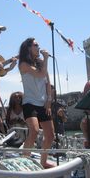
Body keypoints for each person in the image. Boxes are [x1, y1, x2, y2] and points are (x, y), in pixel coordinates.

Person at [18, 37, 55, 169]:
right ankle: (24, 161)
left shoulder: (41, 63)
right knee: (34, 130)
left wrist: (49, 100)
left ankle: (43, 161)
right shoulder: (23, 64)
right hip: (29, 102)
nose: (39, 47)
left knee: (50, 135)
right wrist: (46, 59)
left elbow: (47, 82)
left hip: (43, 103)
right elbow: (40, 75)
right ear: (28, 48)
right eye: (35, 45)